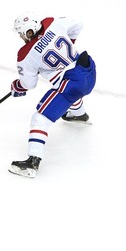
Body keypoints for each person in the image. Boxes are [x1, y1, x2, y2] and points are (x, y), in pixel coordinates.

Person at [8, 12, 96, 178]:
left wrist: (17, 86)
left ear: (28, 32)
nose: (21, 37)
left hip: (71, 84)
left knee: (39, 119)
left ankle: (32, 162)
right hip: (88, 69)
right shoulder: (51, 23)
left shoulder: (25, 54)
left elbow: (29, 84)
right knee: (71, 93)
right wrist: (69, 43)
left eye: (21, 33)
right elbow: (78, 23)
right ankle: (80, 115)